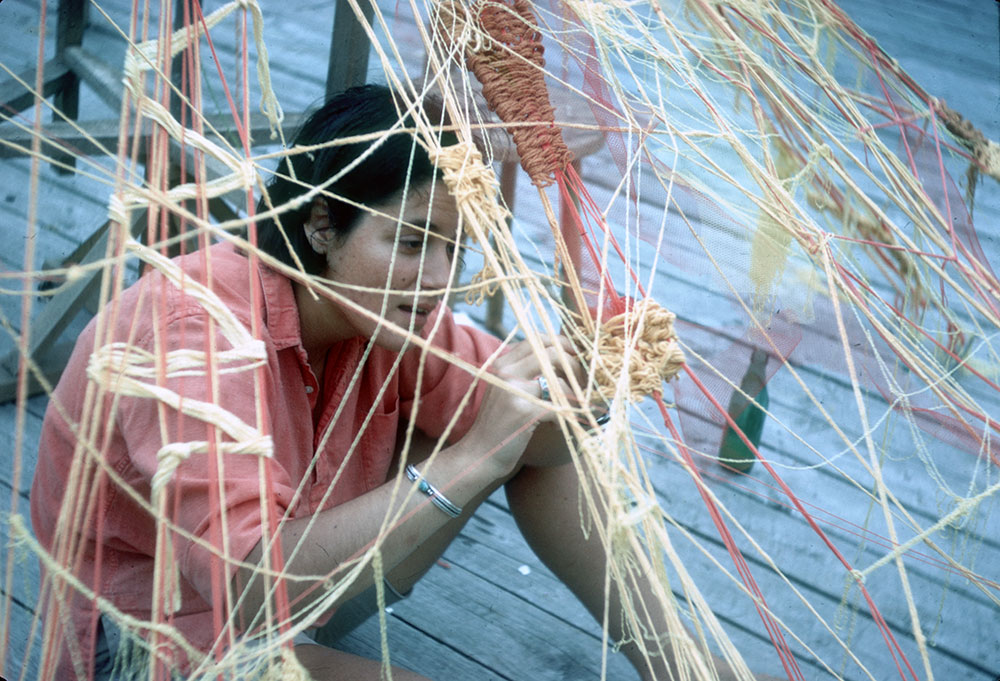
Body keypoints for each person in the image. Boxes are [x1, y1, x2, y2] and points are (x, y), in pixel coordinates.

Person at [31, 84, 775, 681]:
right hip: (154, 642)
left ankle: (681, 662)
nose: (437, 280)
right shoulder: (188, 328)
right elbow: (248, 584)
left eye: (455, 249)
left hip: (303, 594)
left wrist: (585, 386)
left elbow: (543, 445)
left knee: (522, 422)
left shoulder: (390, 312)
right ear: (322, 224)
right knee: (487, 436)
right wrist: (471, 454)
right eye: (413, 240)